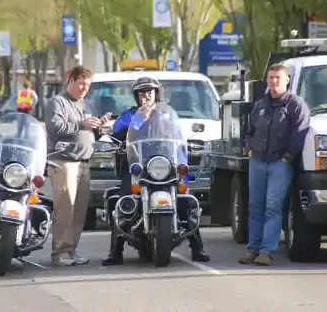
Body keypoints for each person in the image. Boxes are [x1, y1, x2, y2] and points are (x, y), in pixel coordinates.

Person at [101, 76, 210, 266]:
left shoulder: (167, 114)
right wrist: (138, 119)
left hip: (165, 164)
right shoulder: (129, 115)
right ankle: (115, 251)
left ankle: (197, 247)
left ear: (156, 94)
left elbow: (177, 135)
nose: (146, 96)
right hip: (139, 166)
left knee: (186, 199)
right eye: (142, 92)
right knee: (124, 201)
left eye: (149, 92)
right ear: (136, 96)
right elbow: (118, 133)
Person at [239, 63, 310, 266]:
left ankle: (266, 251)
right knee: (255, 206)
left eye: (278, 77)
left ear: (287, 80)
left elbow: (300, 133)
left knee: (272, 207)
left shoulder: (296, 105)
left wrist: (287, 157)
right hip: (257, 161)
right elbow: (250, 129)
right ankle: (253, 249)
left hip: (280, 163)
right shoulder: (261, 105)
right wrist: (248, 147)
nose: (273, 81)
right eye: (270, 77)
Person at [45, 65, 111, 267]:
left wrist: (99, 125)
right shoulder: (57, 102)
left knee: (80, 210)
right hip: (64, 161)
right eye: (81, 83)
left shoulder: (86, 104)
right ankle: (60, 253)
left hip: (84, 162)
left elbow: (90, 132)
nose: (84, 88)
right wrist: (81, 124)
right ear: (71, 81)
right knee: (65, 208)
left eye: (88, 85)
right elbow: (55, 127)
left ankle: (71, 250)